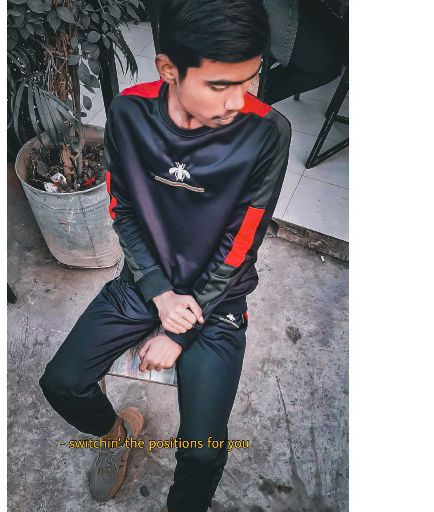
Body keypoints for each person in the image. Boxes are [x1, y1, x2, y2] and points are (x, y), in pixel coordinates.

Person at [38, 1, 291, 511]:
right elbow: (124, 209)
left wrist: (179, 331)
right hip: (143, 283)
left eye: (249, 80)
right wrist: (157, 291)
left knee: (203, 451)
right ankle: (115, 434)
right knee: (61, 383)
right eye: (220, 85)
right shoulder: (129, 113)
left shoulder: (266, 132)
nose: (238, 101)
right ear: (169, 69)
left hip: (217, 299)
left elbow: (241, 245)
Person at [262, 0, 349, 104]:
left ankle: (259, 95)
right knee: (330, 67)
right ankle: (261, 100)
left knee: (322, 56)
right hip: (269, 12)